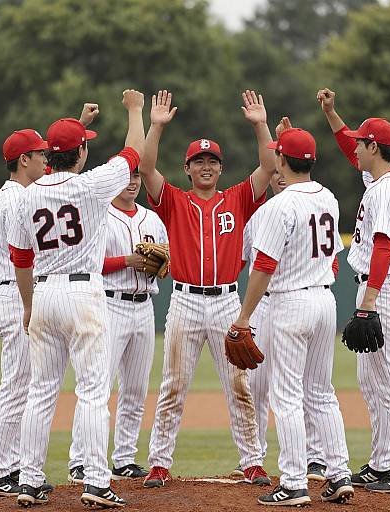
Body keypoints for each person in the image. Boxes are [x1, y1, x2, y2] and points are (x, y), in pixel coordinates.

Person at [7, 89, 145, 508]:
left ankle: (29, 480)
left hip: (45, 291)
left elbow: (21, 258)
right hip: (85, 292)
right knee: (91, 391)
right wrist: (135, 111)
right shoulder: (92, 185)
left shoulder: (26, 195)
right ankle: (96, 481)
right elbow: (133, 153)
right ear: (81, 152)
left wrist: (29, 305)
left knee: (41, 391)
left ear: (48, 155)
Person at [139, 89, 276, 488]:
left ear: (220, 168)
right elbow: (146, 168)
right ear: (187, 168)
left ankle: (252, 461)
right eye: (198, 161)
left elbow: (269, 166)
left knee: (239, 386)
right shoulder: (174, 202)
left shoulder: (236, 199)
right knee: (173, 386)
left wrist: (260, 125)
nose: (205, 166)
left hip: (225, 302)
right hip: (184, 301)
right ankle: (160, 464)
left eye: (212, 161)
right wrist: (156, 126)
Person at [229, 126, 353, 507]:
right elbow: (334, 258)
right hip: (324, 301)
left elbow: (263, 266)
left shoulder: (278, 206)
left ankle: (295, 482)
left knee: (286, 396)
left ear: (281, 160)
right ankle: (340, 473)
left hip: (289, 303)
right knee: (321, 393)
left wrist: (243, 317)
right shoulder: (328, 197)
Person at [317, 87, 390, 494]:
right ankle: (382, 464)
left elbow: (384, 246)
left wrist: (369, 304)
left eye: (363, 142)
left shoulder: (389, 189)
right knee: (372, 383)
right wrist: (331, 114)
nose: (356, 148)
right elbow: (348, 149)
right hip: (379, 290)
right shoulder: (383, 179)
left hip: (387, 291)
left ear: (374, 146)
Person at [67, 167, 168, 484]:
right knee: (97, 387)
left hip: (144, 306)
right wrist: (127, 261)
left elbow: (167, 260)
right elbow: (88, 263)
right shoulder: (99, 216)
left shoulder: (152, 220)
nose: (133, 182)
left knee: (136, 389)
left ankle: (124, 457)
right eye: (127, 177)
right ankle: (80, 461)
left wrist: (162, 265)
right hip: (109, 305)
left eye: (137, 177)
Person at [233, 158, 328, 484]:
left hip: (291, 302)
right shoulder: (261, 215)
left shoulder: (301, 205)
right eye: (272, 174)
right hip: (266, 304)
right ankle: (254, 457)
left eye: (280, 170)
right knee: (257, 386)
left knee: (301, 388)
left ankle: (314, 459)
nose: (279, 178)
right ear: (271, 177)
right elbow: (243, 261)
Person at [0, 128, 50, 498]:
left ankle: (17, 466)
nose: (45, 160)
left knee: (25, 386)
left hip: (18, 293)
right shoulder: (14, 200)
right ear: (24, 160)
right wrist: (29, 304)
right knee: (16, 386)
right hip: (15, 294)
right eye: (40, 154)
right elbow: (24, 256)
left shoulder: (18, 194)